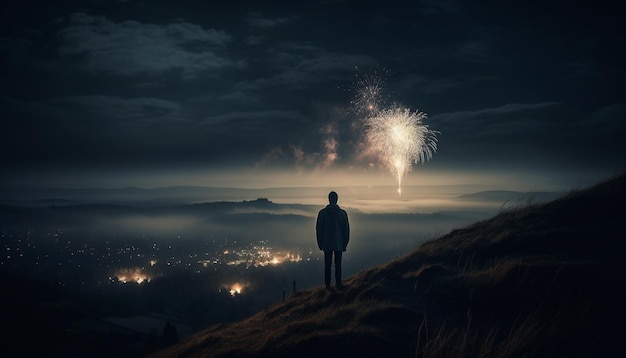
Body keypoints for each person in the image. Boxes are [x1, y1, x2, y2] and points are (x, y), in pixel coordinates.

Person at [316, 191, 350, 289]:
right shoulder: (342, 214)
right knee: (338, 265)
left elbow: (319, 230)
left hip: (326, 244)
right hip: (339, 244)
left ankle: (327, 285)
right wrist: (344, 244)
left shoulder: (322, 213)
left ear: (329, 199)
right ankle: (338, 283)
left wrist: (320, 243)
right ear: (337, 199)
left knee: (327, 265)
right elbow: (346, 230)